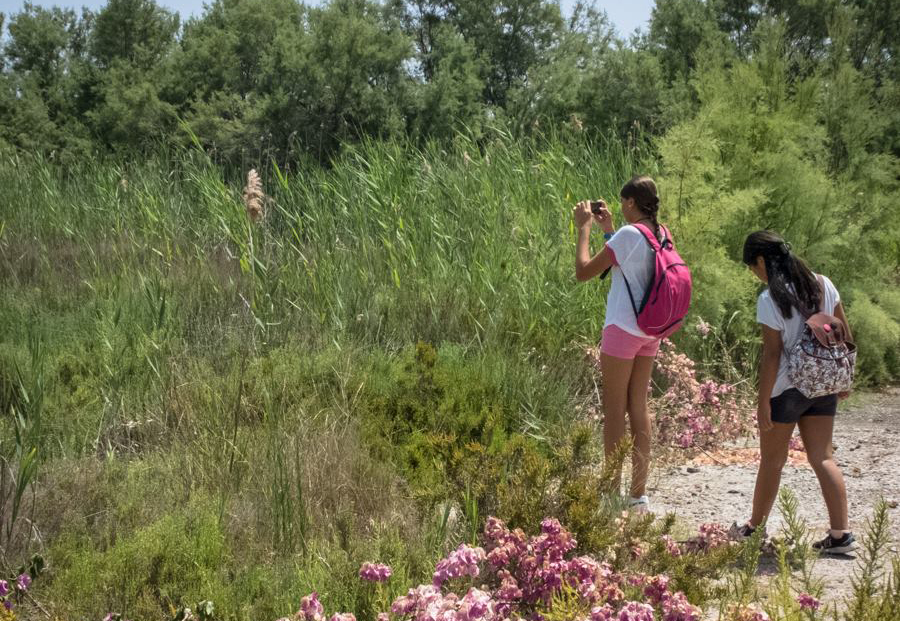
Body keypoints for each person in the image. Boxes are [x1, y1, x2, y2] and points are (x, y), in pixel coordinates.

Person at [733, 230, 856, 553]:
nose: (755, 274)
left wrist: (763, 404)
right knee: (823, 457)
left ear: (761, 261)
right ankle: (841, 534)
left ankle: (754, 529)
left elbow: (772, 354)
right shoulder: (823, 284)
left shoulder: (769, 299)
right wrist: (842, 377)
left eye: (752, 267)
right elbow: (843, 330)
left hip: (788, 389)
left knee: (772, 461)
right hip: (823, 384)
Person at [573, 175, 667, 512]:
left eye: (621, 203)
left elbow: (583, 271)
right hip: (650, 332)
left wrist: (583, 227)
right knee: (638, 409)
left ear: (630, 202)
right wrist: (608, 229)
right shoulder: (661, 233)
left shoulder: (629, 235)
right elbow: (629, 266)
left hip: (622, 330)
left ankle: (610, 494)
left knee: (614, 412)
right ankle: (637, 495)